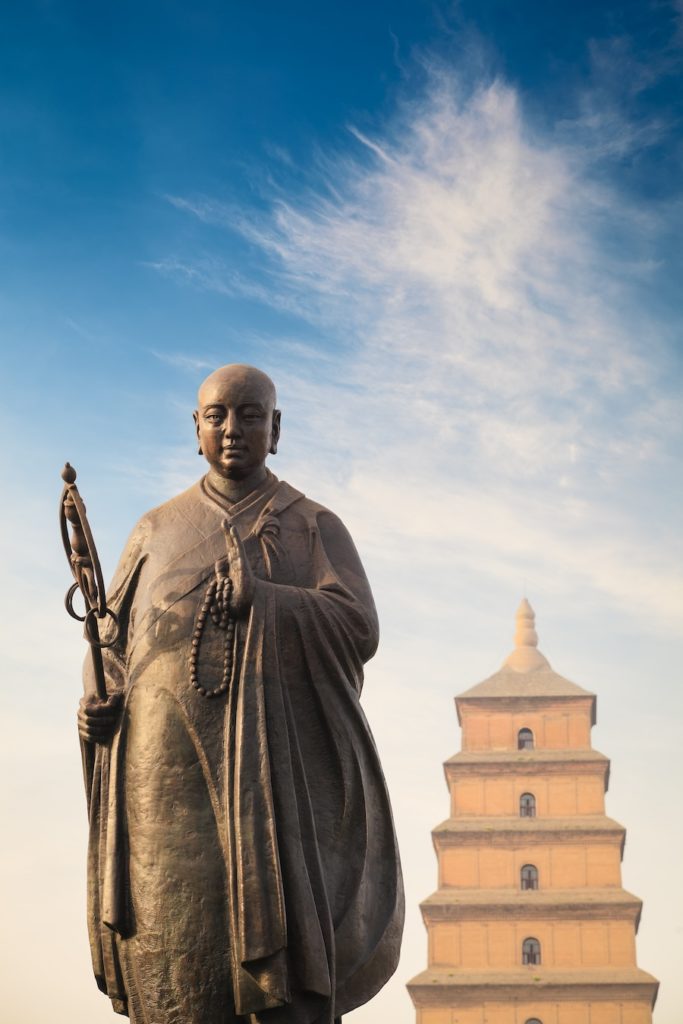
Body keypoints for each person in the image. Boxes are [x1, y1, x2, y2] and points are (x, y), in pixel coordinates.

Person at [77, 364, 404, 1024]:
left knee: (280, 979)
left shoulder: (311, 525)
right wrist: (98, 705)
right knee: (173, 956)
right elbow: (111, 648)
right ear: (195, 429)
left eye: (251, 415)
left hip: (275, 780)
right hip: (161, 780)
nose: (232, 429)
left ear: (275, 429)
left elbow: (358, 626)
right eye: (217, 415)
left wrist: (270, 600)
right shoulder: (154, 529)